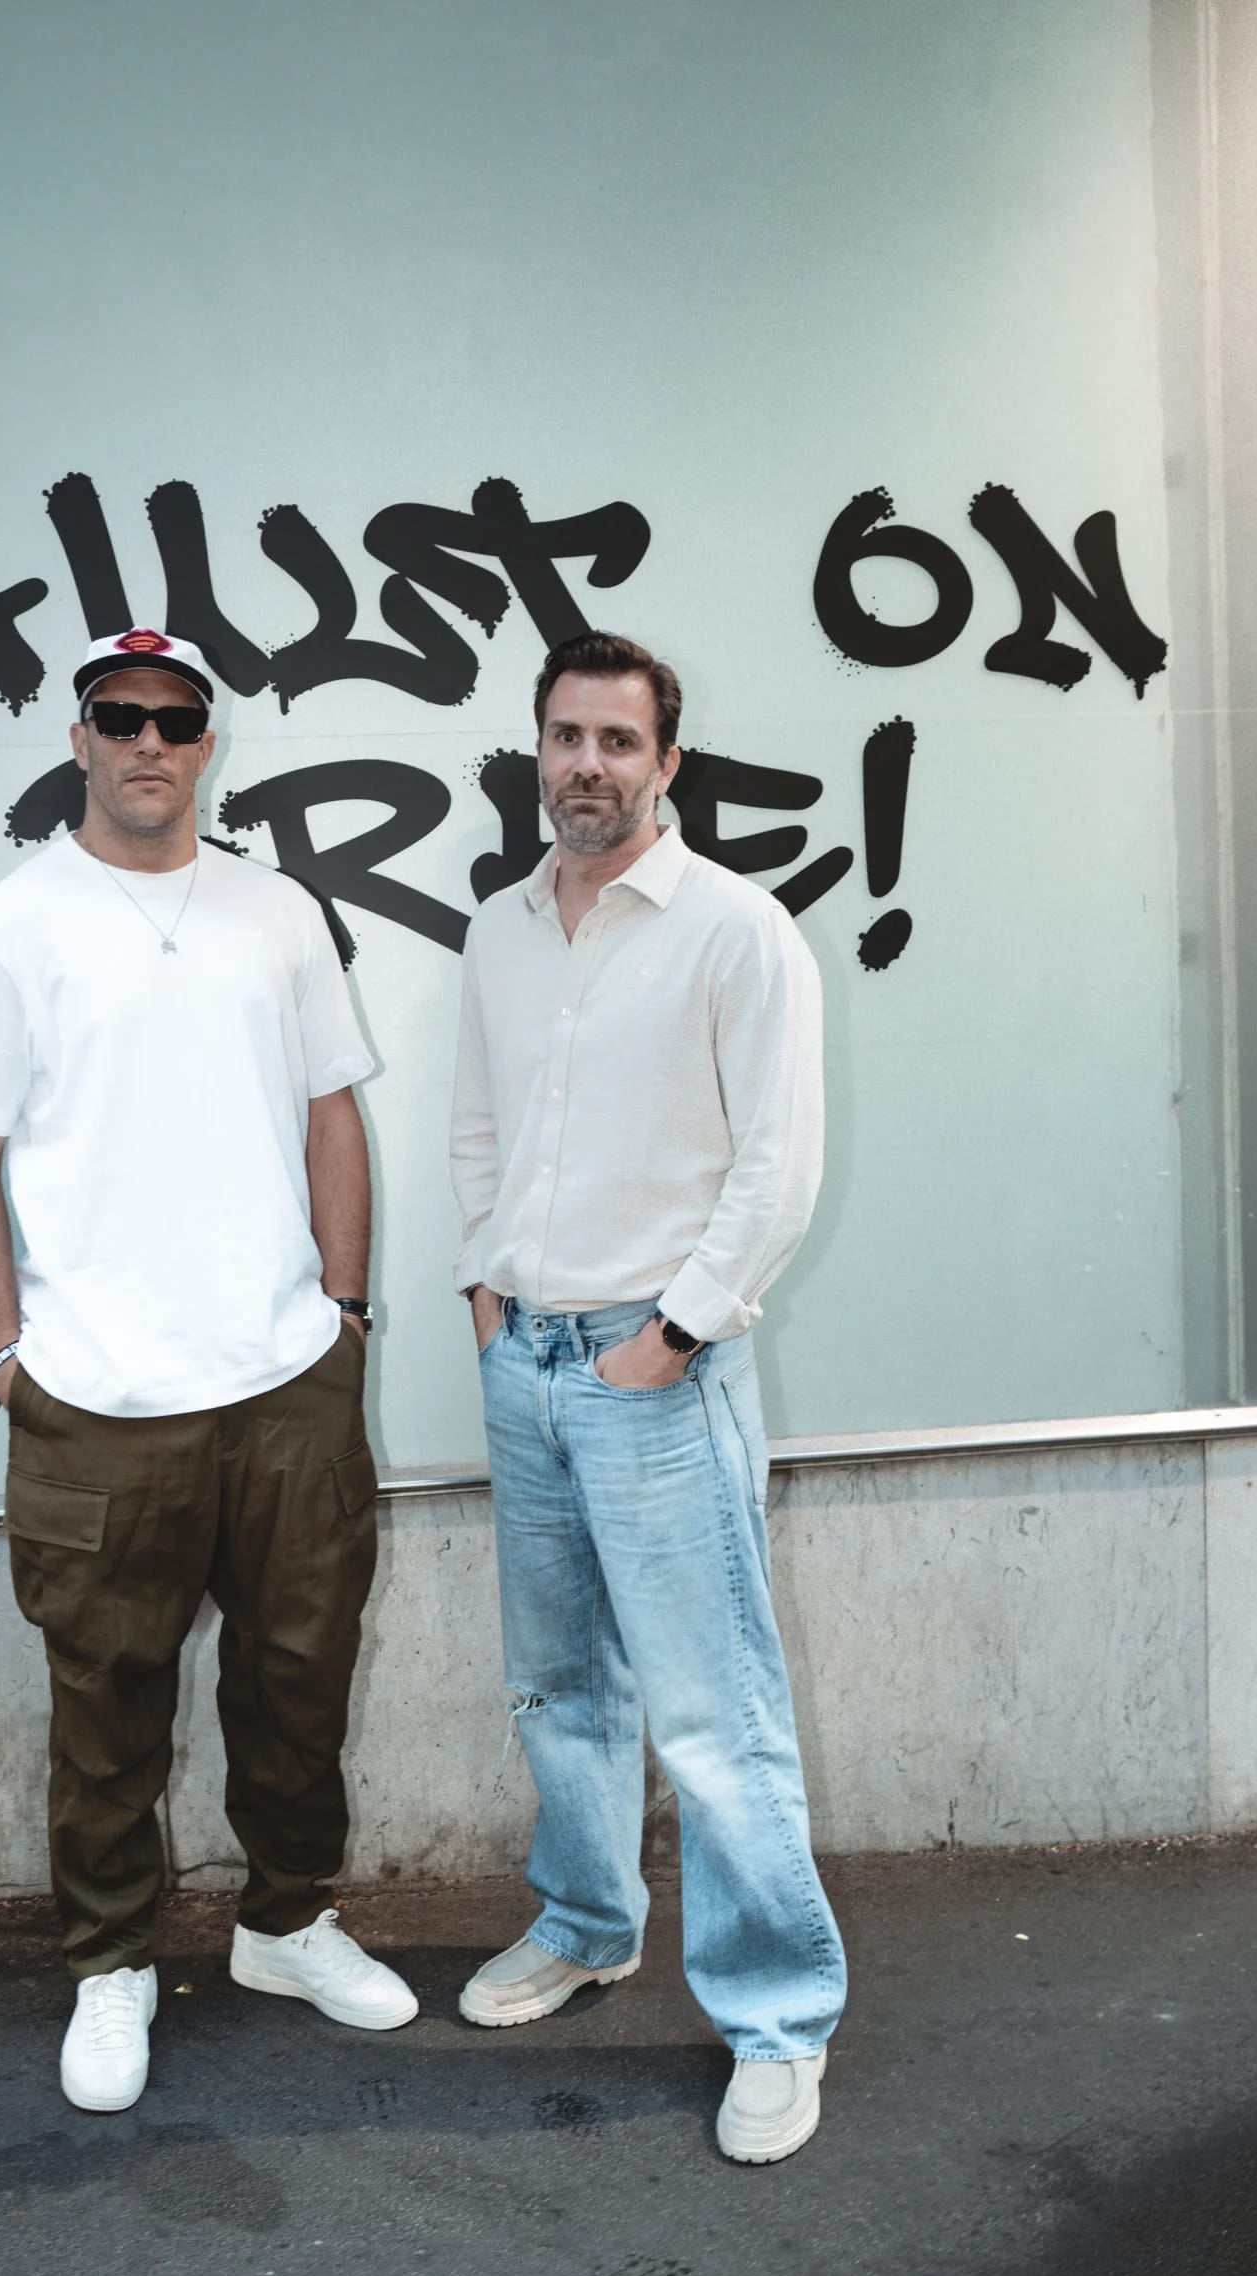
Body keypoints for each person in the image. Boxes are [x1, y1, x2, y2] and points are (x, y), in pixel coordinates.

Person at [0, 624, 416, 2113]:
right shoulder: (12, 927)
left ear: (208, 744)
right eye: (120, 715)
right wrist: (5, 1354)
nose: (149, 740)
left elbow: (332, 1115)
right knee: (107, 1705)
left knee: (299, 1682)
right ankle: (112, 1965)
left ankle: (287, 1924)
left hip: (284, 1386)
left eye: (177, 719)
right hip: (98, 1402)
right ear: (79, 738)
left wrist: (345, 1318)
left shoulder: (276, 912)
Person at [449, 628, 846, 2164]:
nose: (589, 765)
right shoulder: (499, 931)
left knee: (711, 1711)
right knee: (560, 1683)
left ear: (667, 763)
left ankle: (778, 2021)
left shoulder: (736, 931)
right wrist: (486, 1287)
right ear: (537, 750)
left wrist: (668, 1339)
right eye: (568, 736)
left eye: (620, 741)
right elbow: (480, 1127)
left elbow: (779, 1168)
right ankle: (585, 1922)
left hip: (654, 1370)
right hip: (527, 1360)